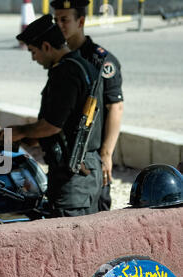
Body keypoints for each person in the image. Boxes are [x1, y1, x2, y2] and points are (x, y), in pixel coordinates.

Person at [7, 14, 103, 217]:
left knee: (72, 236)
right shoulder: (82, 65)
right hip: (85, 169)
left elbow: (52, 125)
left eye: (34, 52)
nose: (34, 58)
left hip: (73, 174)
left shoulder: (65, 72)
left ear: (47, 46)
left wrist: (18, 132)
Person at [51, 0, 124, 211]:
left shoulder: (101, 60)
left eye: (65, 20)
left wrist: (106, 154)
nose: (59, 25)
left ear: (80, 21)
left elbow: (115, 107)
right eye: (56, 20)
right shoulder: (60, 59)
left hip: (91, 155)